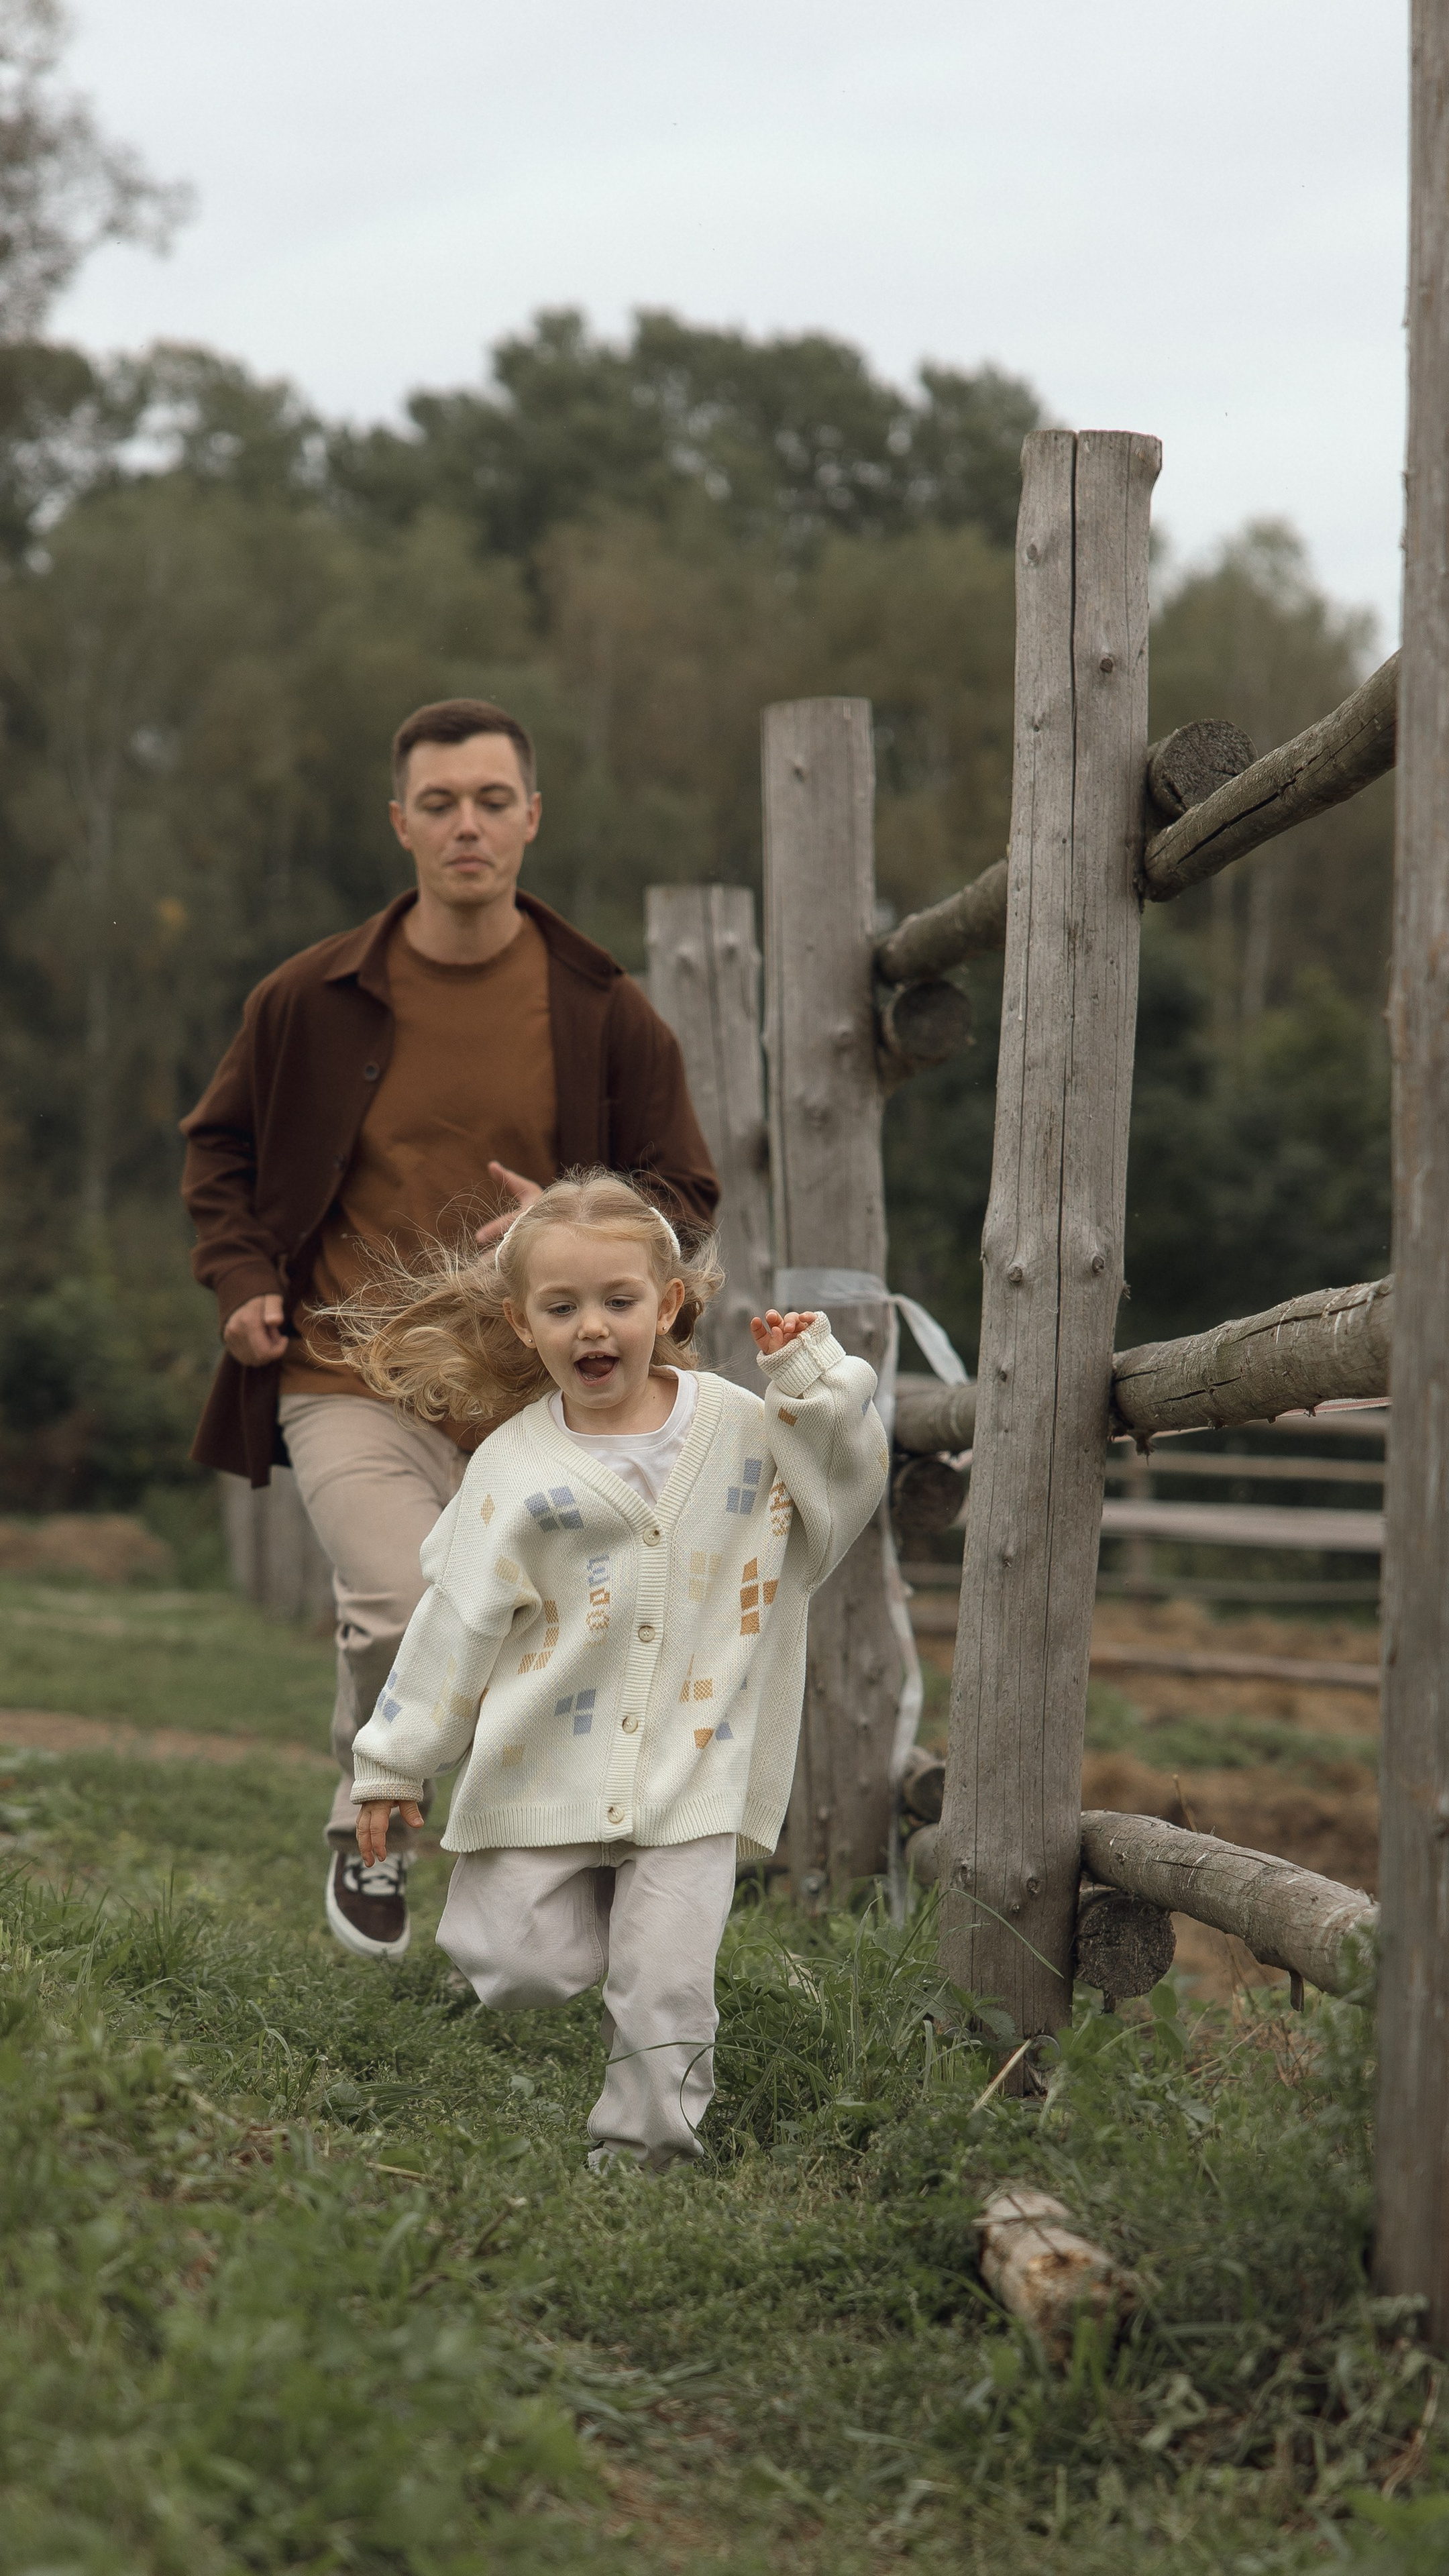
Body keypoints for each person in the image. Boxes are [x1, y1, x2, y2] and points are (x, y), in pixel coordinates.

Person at [180, 700, 719, 1963]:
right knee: (403, 1604)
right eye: (439, 803)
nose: (466, 825)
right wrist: (243, 1274)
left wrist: (593, 1219)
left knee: (520, 1630)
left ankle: (419, 1835)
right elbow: (222, 1148)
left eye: (491, 800)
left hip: (530, 1398)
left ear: (532, 817)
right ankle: (382, 1827)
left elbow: (682, 1193)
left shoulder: (604, 1008)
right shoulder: (308, 997)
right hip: (345, 1371)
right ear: (401, 825)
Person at [333, 1169, 889, 2169]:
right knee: (509, 1960)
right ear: (523, 1324)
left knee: (666, 1983)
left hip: (695, 1763)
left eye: (618, 1301)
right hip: (547, 1759)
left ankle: (646, 2157)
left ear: (667, 1305)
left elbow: (843, 1492)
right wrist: (393, 1760)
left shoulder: (744, 1428)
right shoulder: (512, 1464)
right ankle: (597, 1909)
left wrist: (811, 1380)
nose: (594, 1327)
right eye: (563, 1307)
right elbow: (454, 1618)